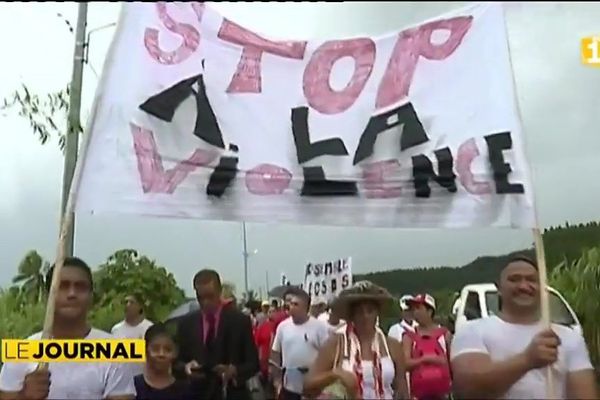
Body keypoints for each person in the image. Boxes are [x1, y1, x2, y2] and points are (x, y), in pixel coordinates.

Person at [451, 255, 598, 399]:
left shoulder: (568, 337)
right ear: (499, 287)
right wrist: (527, 360)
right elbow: (468, 390)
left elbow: (585, 393)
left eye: (532, 280)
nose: (524, 286)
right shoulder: (471, 331)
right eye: (514, 279)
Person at [0, 257, 135, 400]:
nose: (72, 294)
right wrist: (25, 396)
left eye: (80, 287)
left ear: (91, 296)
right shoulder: (21, 352)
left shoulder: (114, 351)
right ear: (48, 295)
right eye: (62, 286)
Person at [304, 281, 409, 400]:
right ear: (351, 316)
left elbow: (402, 387)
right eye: (359, 312)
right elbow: (308, 385)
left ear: (377, 313)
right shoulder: (337, 343)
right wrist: (334, 375)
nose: (365, 316)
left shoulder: (391, 345)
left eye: (370, 311)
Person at [174, 269, 259, 400]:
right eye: (200, 297)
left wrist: (234, 370)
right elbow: (175, 363)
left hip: (230, 393)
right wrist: (186, 367)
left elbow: (253, 363)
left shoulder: (239, 321)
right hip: (197, 393)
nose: (205, 302)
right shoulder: (186, 324)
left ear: (220, 292)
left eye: (210, 296)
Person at [270, 287, 330, 400]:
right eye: (291, 303)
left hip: (313, 388)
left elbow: (328, 355)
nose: (291, 306)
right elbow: (275, 353)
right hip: (289, 387)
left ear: (305, 307)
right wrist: (277, 380)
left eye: (296, 304)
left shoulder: (319, 327)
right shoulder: (283, 327)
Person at [403, 294, 452, 400]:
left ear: (430, 311)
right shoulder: (409, 336)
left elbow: (451, 362)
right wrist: (426, 359)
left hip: (443, 394)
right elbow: (405, 364)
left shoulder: (445, 334)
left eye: (418, 308)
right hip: (418, 395)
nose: (415, 312)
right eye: (413, 309)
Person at [134, 323, 191, 400]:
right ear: (145, 350)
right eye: (155, 349)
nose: (161, 354)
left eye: (168, 349)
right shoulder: (132, 386)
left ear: (176, 352)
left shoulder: (184, 390)